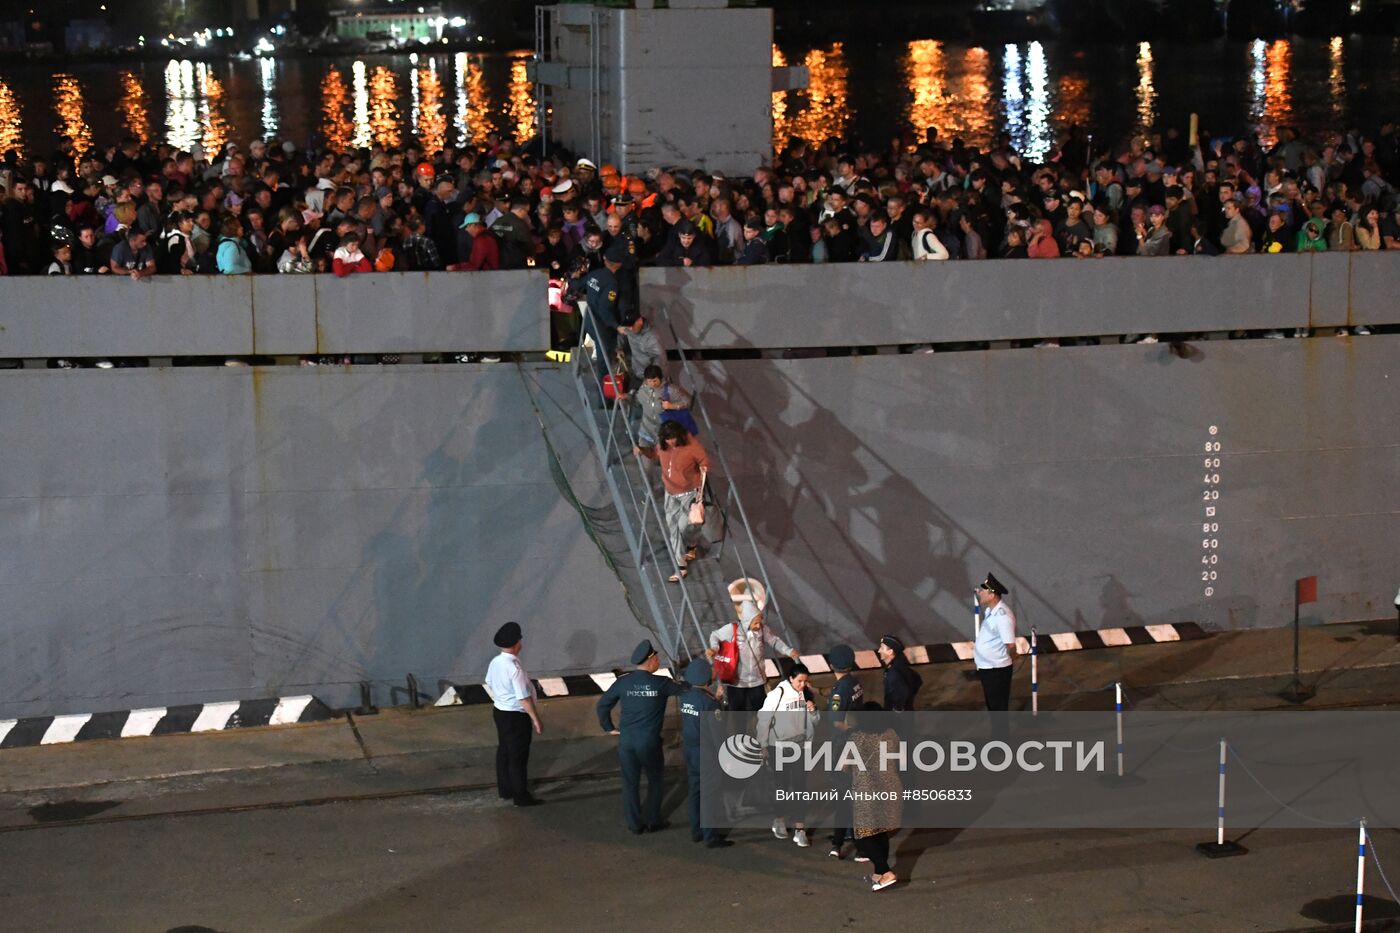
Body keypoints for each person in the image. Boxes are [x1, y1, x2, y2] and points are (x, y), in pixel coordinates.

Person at [596, 639, 686, 834]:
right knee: (655, 780)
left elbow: (603, 705)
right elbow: (685, 690)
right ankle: (653, 820)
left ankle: (635, 824)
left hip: (626, 742)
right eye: (657, 658)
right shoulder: (661, 683)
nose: (658, 662)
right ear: (651, 659)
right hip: (649, 743)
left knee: (630, 783)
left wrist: (608, 726)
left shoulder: (623, 682)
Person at [706, 580, 799, 712]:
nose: (758, 625)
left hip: (757, 680)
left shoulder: (762, 629)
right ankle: (740, 732)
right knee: (738, 711)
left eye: (759, 622)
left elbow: (774, 641)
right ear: (747, 621)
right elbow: (715, 635)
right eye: (755, 622)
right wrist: (714, 648)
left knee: (760, 709)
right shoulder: (733, 629)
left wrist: (788, 651)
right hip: (737, 681)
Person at [756, 661, 819, 847]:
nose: (802, 684)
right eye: (799, 681)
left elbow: (814, 722)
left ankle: (800, 829)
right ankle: (779, 820)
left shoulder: (806, 694)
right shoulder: (779, 693)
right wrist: (763, 745)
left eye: (805, 681)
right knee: (781, 786)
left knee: (800, 787)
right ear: (791, 678)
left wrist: (813, 711)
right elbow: (763, 719)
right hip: (779, 748)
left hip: (800, 748)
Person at [484, 621, 543, 807]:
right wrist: (535, 718)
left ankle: (505, 789)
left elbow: (489, 682)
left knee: (504, 751)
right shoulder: (514, 668)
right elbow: (523, 698)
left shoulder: (496, 662)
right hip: (516, 717)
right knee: (518, 756)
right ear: (517, 643)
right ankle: (521, 796)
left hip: (500, 712)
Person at [846, 702, 902, 892]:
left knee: (863, 836)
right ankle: (878, 873)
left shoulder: (856, 738)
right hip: (891, 787)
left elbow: (843, 766)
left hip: (867, 790)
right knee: (881, 831)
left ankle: (886, 872)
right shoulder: (892, 734)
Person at [678, 658, 731, 848]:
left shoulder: (686, 697)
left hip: (690, 751)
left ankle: (697, 831)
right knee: (710, 796)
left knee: (695, 792)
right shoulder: (710, 704)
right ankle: (711, 837)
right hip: (707, 754)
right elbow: (718, 735)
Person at [656, 420, 711, 583]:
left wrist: (702, 477)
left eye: (672, 438)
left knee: (684, 527)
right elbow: (656, 454)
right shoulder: (662, 445)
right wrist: (643, 450)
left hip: (689, 493)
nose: (670, 442)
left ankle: (692, 545)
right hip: (670, 493)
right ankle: (681, 567)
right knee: (674, 529)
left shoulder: (691, 445)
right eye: (667, 439)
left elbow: (704, 462)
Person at [825, 643, 863, 859]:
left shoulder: (840, 691)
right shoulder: (855, 684)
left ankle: (842, 840)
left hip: (843, 746)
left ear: (832, 665)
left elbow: (836, 720)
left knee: (843, 793)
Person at [974, 572, 1017, 712]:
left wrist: (1004, 662)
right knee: (993, 707)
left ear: (992, 595)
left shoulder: (1002, 616)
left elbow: (1010, 645)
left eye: (983, 591)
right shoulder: (990, 611)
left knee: (998, 709)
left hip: (996, 670)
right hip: (988, 668)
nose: (980, 593)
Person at [631, 364, 694, 455]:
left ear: (660, 378)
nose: (652, 383)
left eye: (655, 380)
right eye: (649, 381)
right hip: (646, 431)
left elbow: (688, 401)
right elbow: (637, 399)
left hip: (664, 434)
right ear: (645, 380)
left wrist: (672, 406)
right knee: (646, 465)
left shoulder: (670, 390)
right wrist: (627, 396)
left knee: (664, 459)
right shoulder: (643, 389)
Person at [876, 635, 921, 711]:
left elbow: (904, 691)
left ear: (890, 652)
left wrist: (897, 708)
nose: (879, 650)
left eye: (882, 648)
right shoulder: (900, 662)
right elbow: (918, 680)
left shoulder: (893, 672)